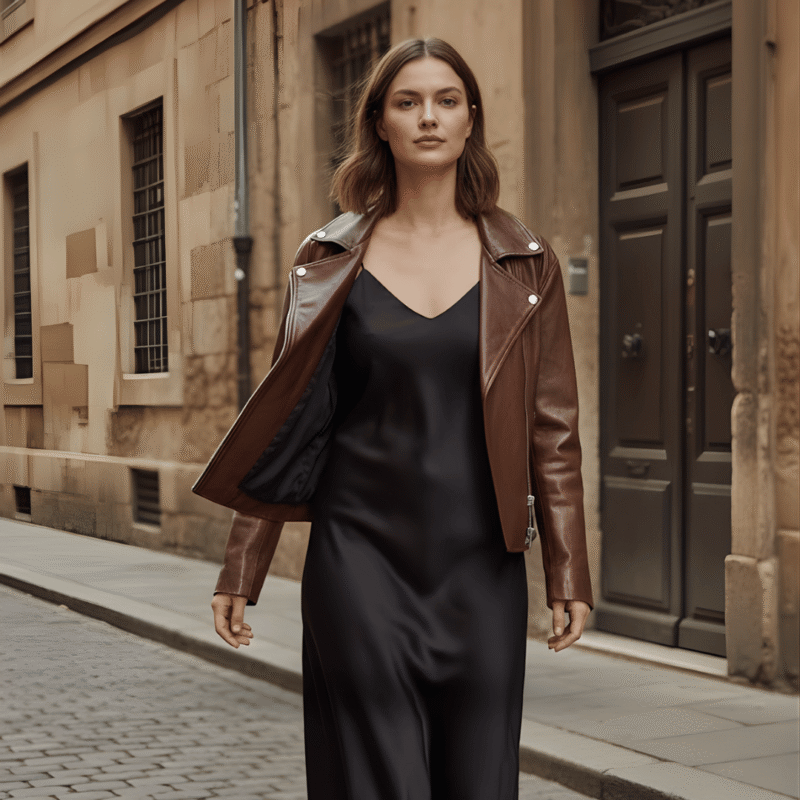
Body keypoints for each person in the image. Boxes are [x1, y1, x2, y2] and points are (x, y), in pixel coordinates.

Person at [192, 37, 593, 800]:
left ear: (471, 118)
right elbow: (287, 414)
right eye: (407, 103)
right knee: (379, 781)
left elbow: (555, 429)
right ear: (380, 122)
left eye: (446, 100)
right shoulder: (329, 255)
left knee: (478, 781)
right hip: (360, 560)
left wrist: (568, 569)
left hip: (482, 564)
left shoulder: (524, 261)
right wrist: (242, 565)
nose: (429, 118)